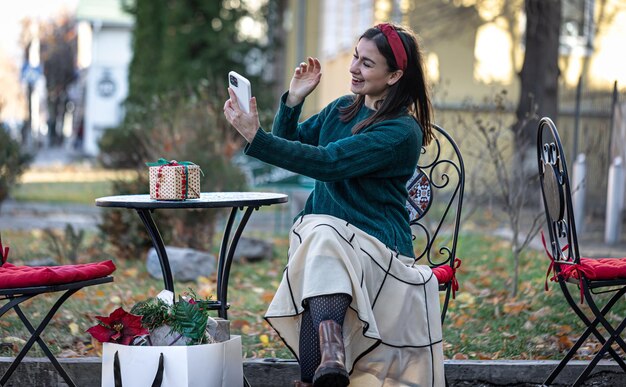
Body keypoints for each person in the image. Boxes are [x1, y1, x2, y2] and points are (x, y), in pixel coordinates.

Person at [224, 23, 444, 387]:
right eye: (355, 56)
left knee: (321, 235)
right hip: (329, 249)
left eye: (367, 63)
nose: (354, 67)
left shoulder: (401, 133)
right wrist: (293, 100)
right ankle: (331, 357)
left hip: (379, 252)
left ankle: (326, 359)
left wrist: (254, 137)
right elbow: (289, 145)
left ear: (394, 75)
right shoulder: (342, 109)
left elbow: (328, 162)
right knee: (322, 241)